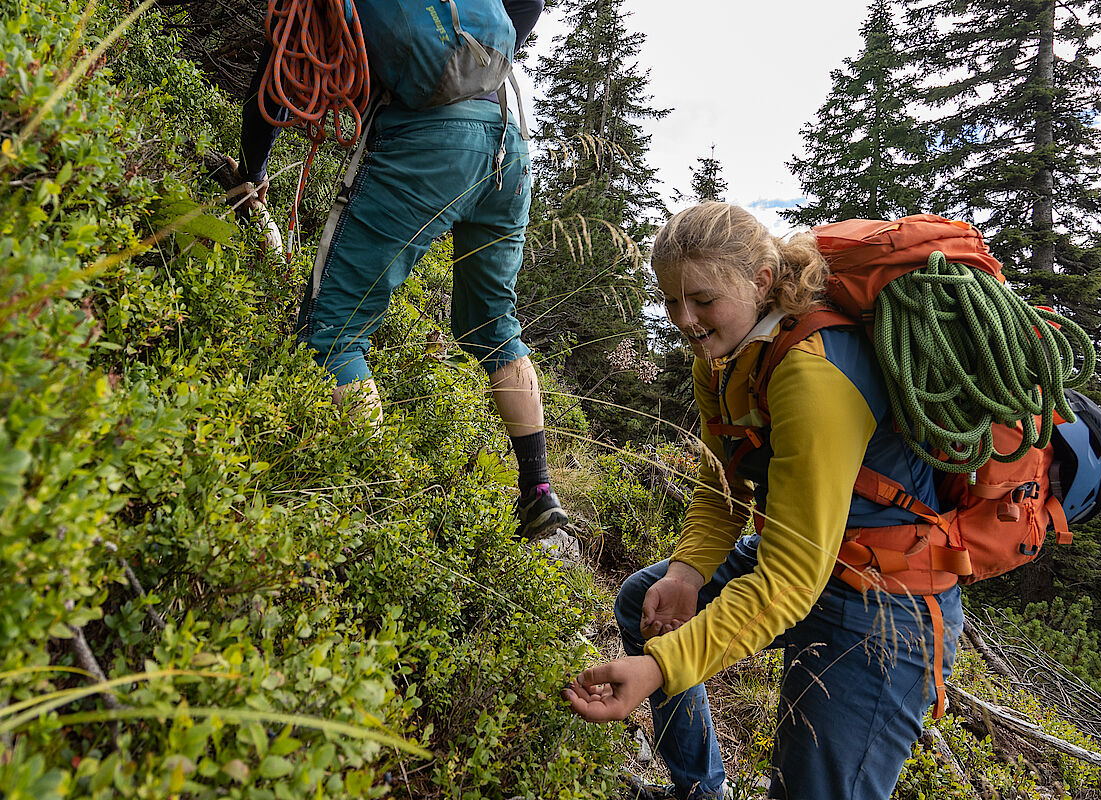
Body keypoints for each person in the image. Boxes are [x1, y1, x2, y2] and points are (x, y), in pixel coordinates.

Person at [563, 203, 964, 799]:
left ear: (760, 281)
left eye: (702, 298)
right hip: (809, 561)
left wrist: (657, 670)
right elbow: (722, 487)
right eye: (671, 300)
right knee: (643, 603)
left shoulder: (812, 374)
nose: (685, 319)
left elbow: (788, 581)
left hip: (884, 602)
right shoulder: (721, 356)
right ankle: (700, 791)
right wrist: (685, 571)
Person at [227, 0, 568, 538]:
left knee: (336, 332)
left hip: (425, 140)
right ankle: (539, 488)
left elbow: (272, 83)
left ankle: (372, 508)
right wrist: (465, 66)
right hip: (511, 134)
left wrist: (253, 170)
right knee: (493, 325)